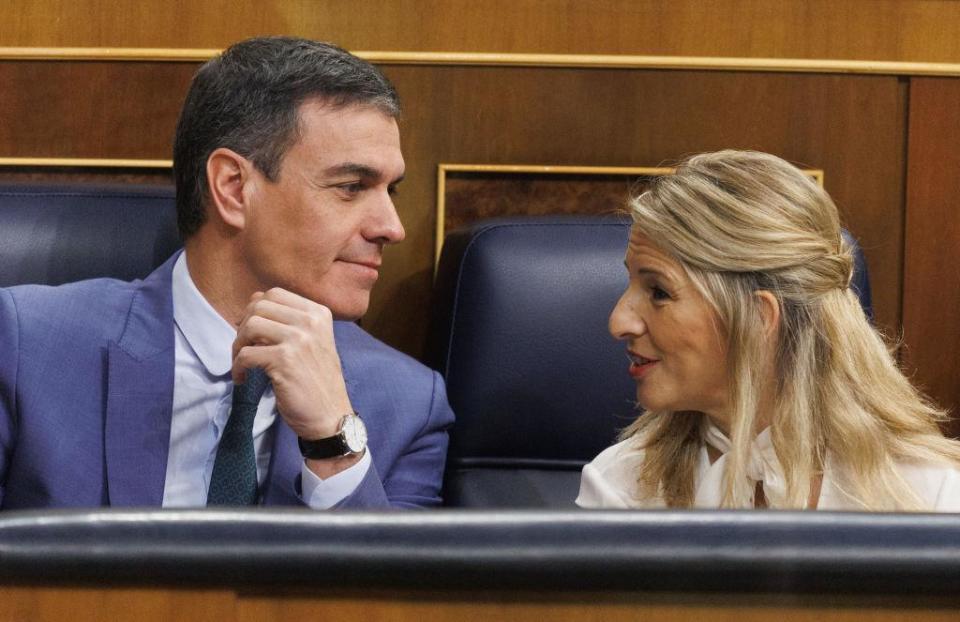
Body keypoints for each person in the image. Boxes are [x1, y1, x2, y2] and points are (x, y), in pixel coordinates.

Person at [0, 36, 453, 509]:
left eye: (390, 191)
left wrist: (333, 444)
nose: (391, 228)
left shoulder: (409, 405)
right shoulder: (26, 349)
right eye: (351, 186)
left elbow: (388, 585)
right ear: (234, 188)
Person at [577, 150, 960, 511]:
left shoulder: (927, 495)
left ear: (760, 317)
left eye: (659, 292)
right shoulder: (621, 489)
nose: (618, 322)